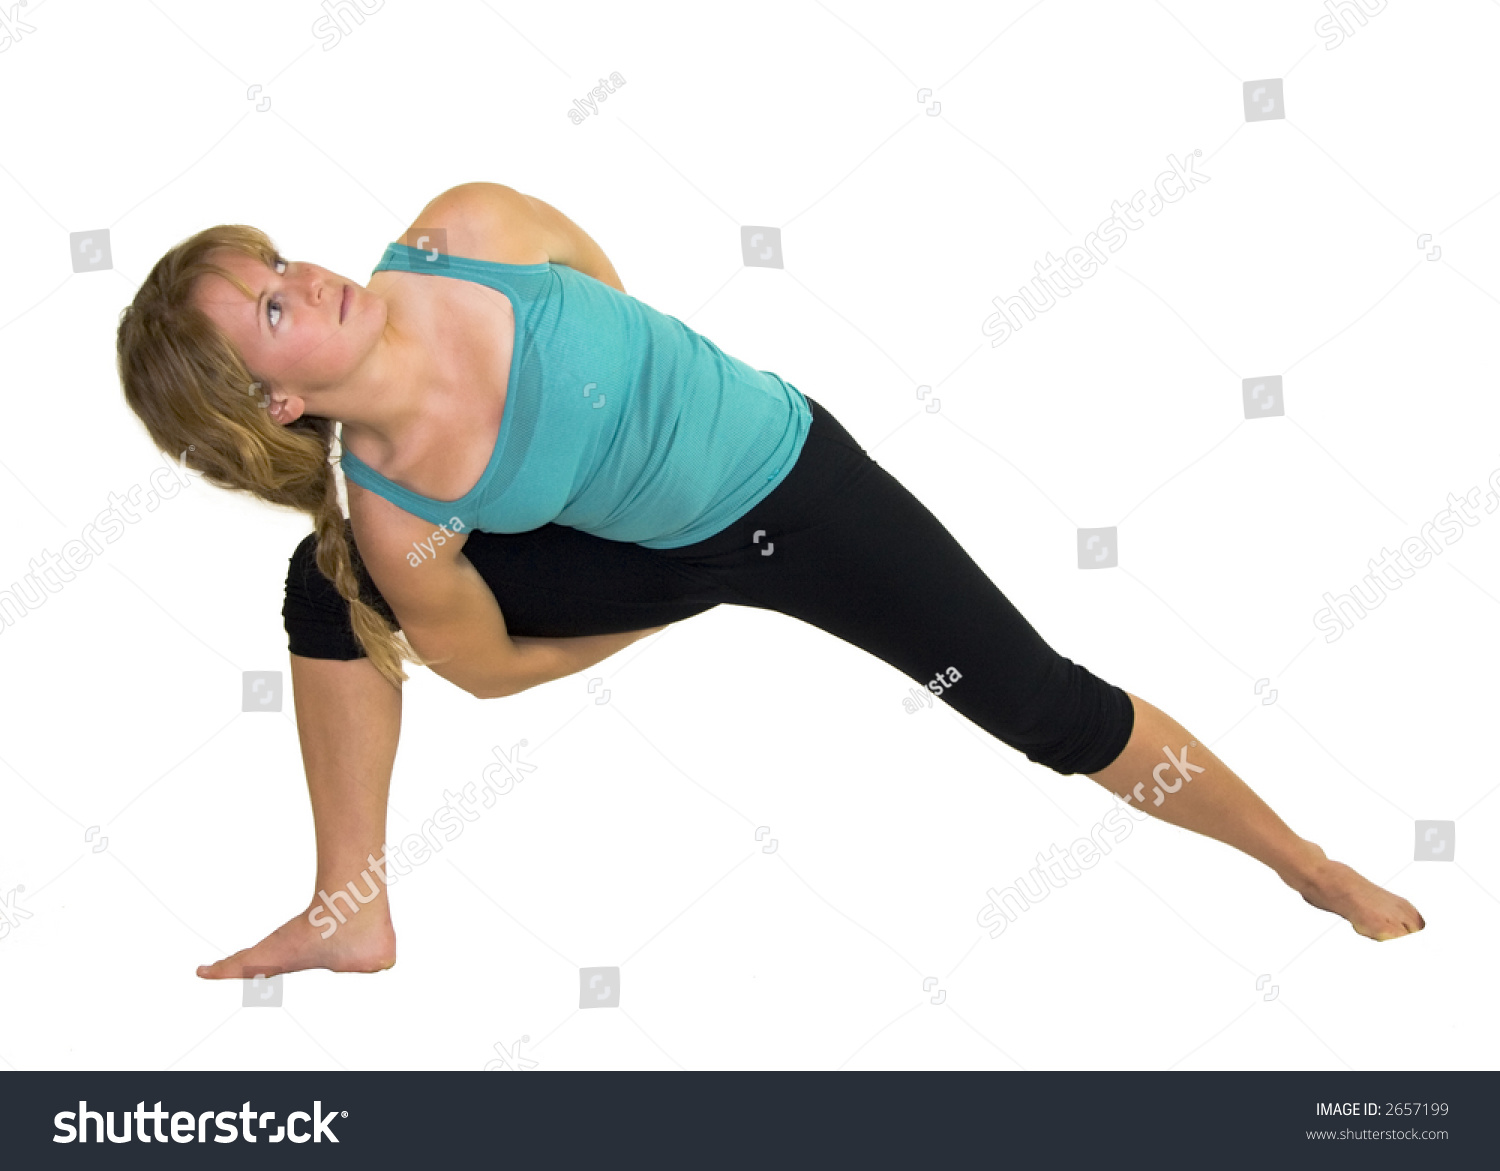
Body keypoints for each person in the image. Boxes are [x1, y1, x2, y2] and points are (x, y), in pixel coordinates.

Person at [114, 183, 1424, 978]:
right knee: (326, 581)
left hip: (803, 485)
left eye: (277, 265)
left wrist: (653, 461)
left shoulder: (467, 230)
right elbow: (485, 669)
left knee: (1048, 711)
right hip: (665, 557)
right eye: (274, 311)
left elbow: (610, 304)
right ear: (278, 404)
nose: (309, 280)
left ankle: (1303, 864)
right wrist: (674, 588)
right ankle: (354, 914)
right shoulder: (399, 513)